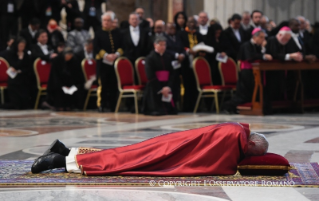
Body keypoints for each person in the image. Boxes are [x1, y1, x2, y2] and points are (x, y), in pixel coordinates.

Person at [31, 122, 269, 176]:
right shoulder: (234, 138)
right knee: (125, 161)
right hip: (173, 154)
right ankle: (58, 162)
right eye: (249, 153)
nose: (245, 157)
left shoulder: (236, 127)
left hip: (174, 142)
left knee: (125, 153)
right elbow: (221, 165)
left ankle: (66, 151)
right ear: (250, 144)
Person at [223, 28, 272, 114]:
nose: (263, 40)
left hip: (255, 72)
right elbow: (250, 57)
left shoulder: (258, 46)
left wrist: (263, 48)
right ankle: (228, 107)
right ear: (255, 37)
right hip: (247, 73)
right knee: (244, 95)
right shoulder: (246, 45)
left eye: (264, 38)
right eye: (261, 37)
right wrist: (263, 56)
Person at [94, 13, 123, 112]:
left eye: (108, 20)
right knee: (103, 84)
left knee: (113, 83)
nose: (106, 22)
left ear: (112, 22)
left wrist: (116, 54)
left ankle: (113, 105)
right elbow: (96, 47)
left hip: (114, 63)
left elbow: (122, 46)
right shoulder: (98, 33)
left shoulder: (117, 33)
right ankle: (101, 104)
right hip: (103, 63)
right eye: (104, 20)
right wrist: (106, 55)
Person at [142, 36, 178, 115]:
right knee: (156, 111)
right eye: (161, 45)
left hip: (167, 85)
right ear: (155, 45)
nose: (163, 47)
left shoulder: (168, 57)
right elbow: (150, 75)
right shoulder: (150, 58)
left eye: (164, 45)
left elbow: (172, 73)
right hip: (155, 85)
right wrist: (161, 89)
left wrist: (168, 87)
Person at [1, 38, 33, 109]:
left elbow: (28, 67)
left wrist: (20, 71)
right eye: (20, 46)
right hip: (14, 80)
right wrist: (20, 59)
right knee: (16, 105)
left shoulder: (26, 54)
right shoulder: (11, 53)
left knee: (25, 105)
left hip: (23, 78)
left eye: (23, 46)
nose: (22, 48)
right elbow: (14, 65)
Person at [180, 16, 203, 112]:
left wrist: (199, 52)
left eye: (194, 22)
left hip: (197, 63)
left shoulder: (199, 34)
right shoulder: (181, 34)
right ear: (187, 24)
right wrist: (188, 50)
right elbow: (179, 45)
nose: (192, 24)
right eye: (190, 22)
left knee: (196, 85)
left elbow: (202, 45)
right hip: (186, 62)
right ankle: (186, 107)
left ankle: (196, 106)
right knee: (187, 85)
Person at [121, 12, 149, 82]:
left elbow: (148, 45)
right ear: (129, 20)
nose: (134, 21)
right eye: (132, 19)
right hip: (128, 59)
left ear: (139, 20)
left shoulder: (145, 32)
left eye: (136, 19)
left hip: (141, 58)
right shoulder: (123, 33)